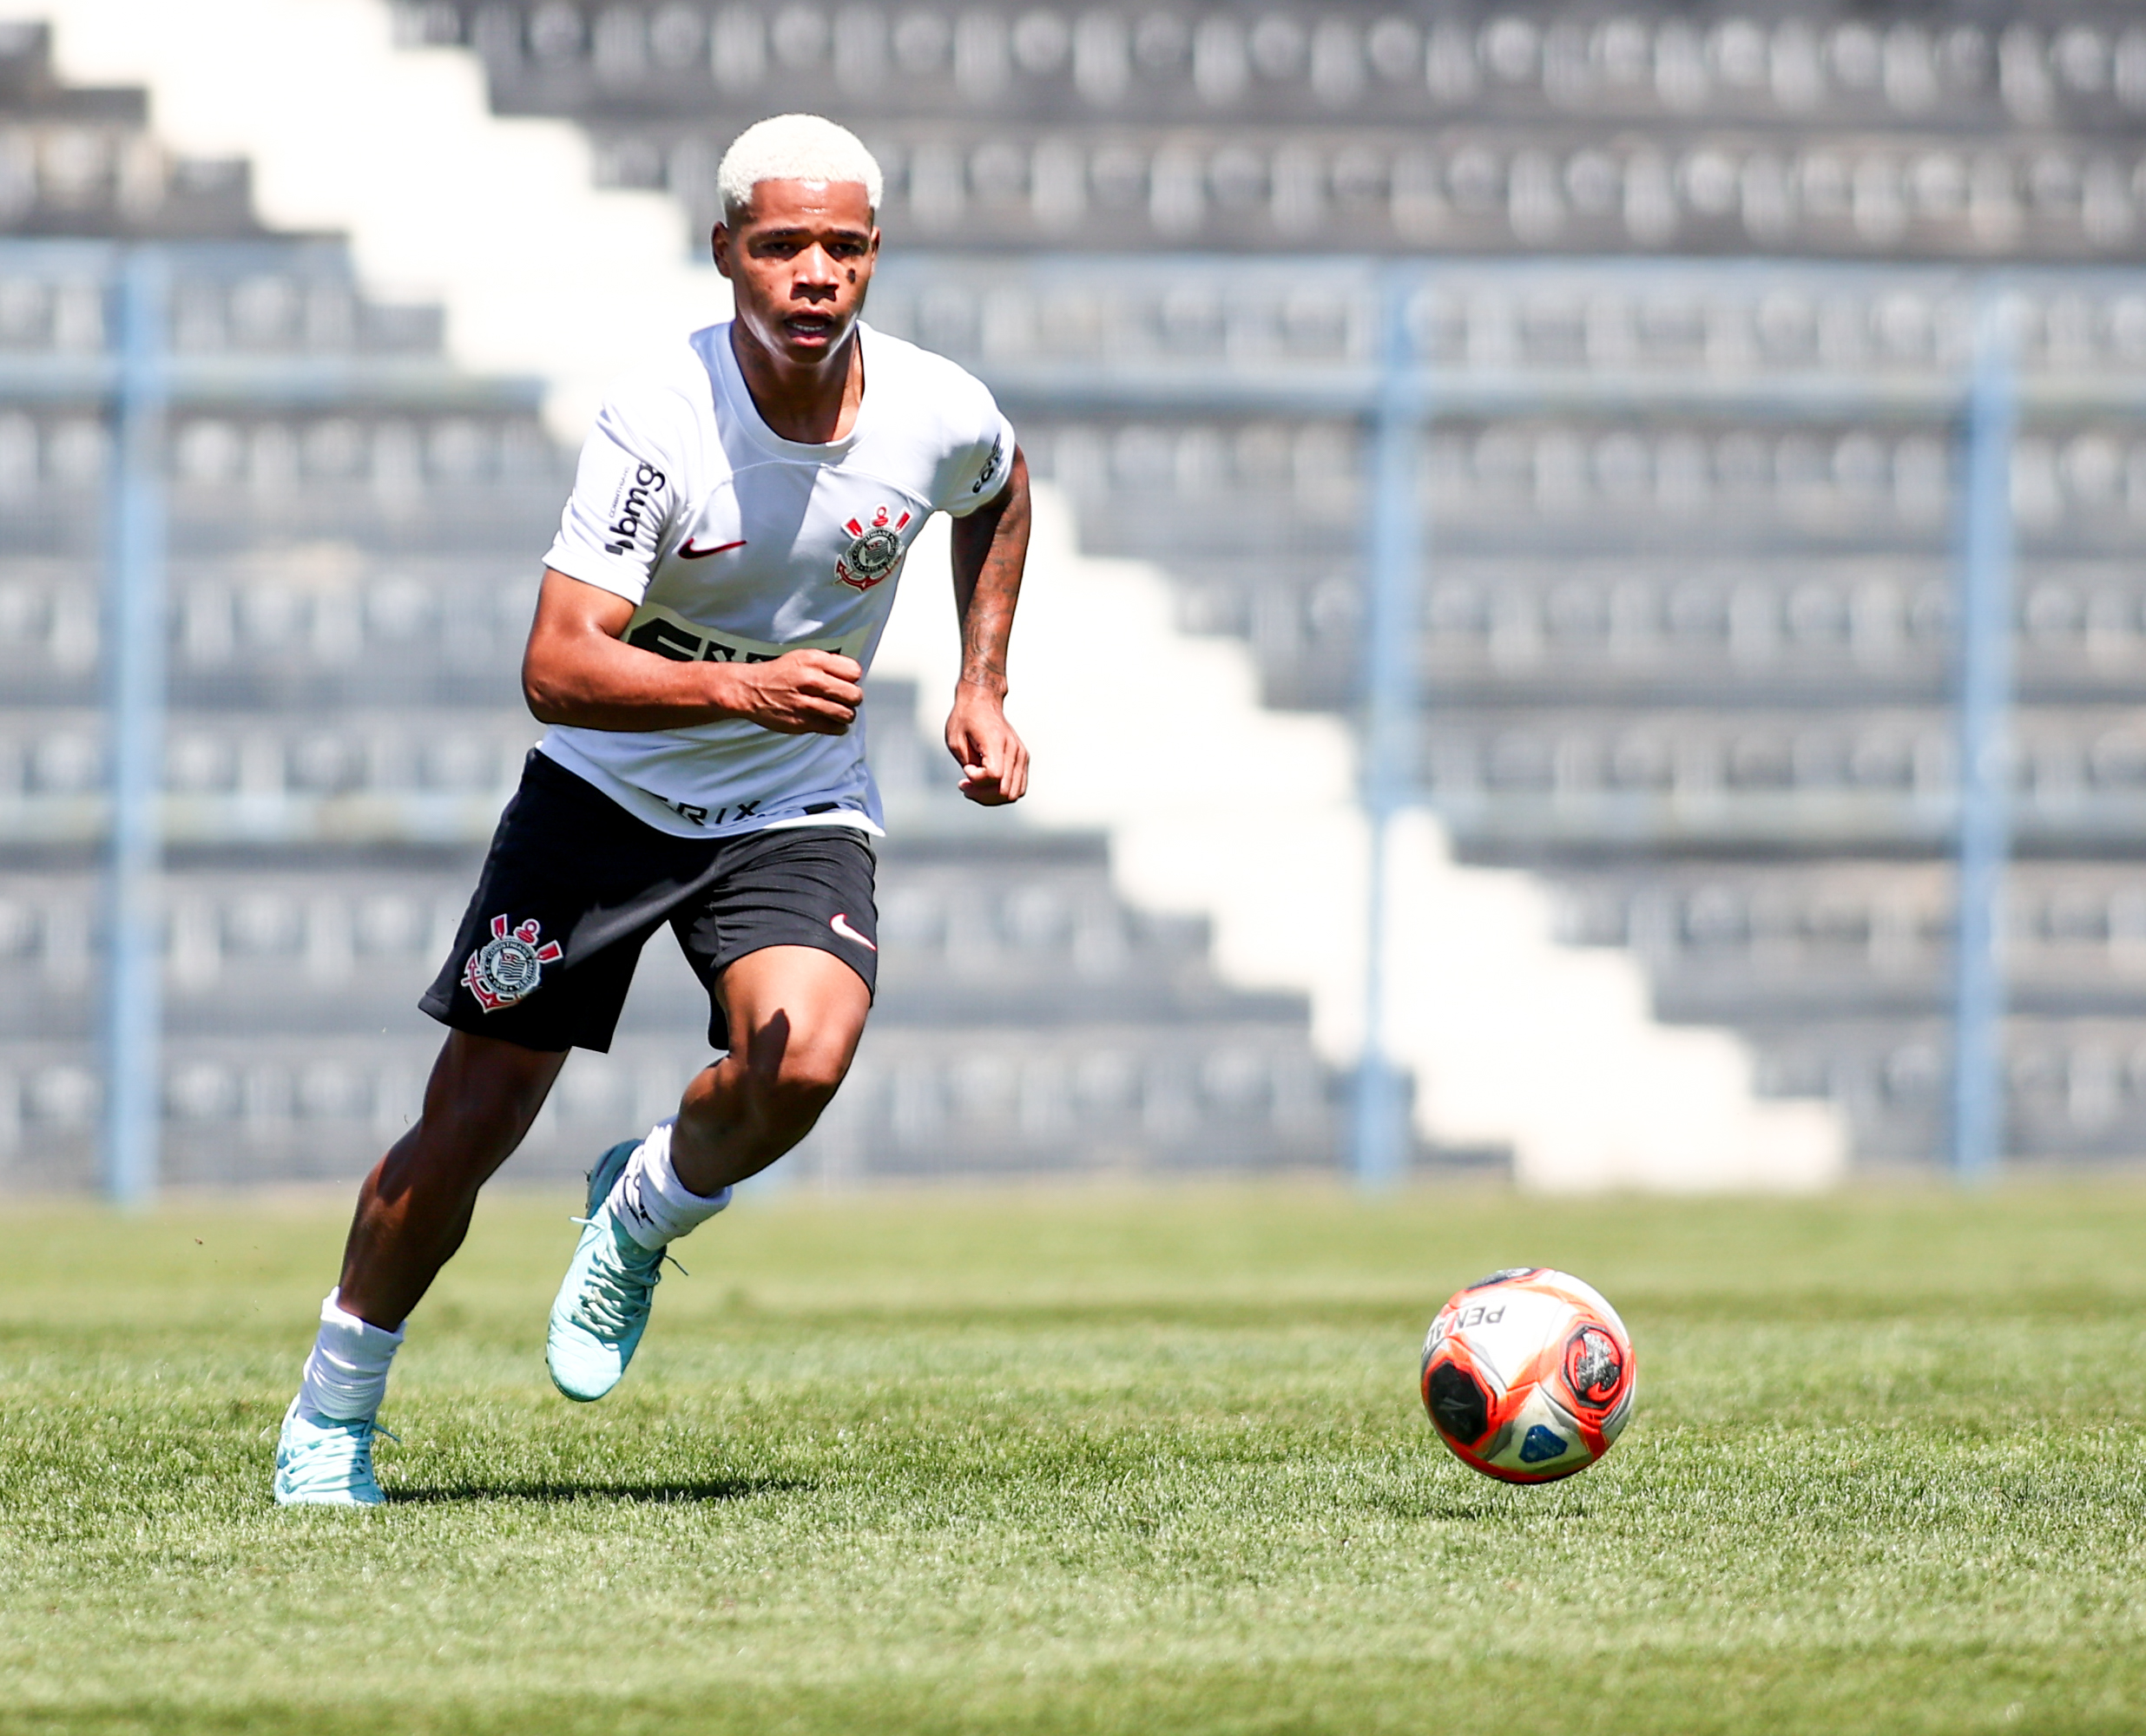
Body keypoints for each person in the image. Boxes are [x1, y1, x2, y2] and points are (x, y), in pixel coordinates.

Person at [272, 113, 1030, 1506]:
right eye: (784, 245)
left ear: (876, 258)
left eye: (845, 247)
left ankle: (645, 1209)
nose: (816, 273)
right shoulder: (661, 422)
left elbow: (996, 487)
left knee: (800, 1064)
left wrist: (982, 680)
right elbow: (555, 669)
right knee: (474, 1123)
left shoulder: (937, 408)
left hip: (792, 801)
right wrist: (744, 692)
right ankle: (333, 1414)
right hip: (604, 801)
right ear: (727, 251)